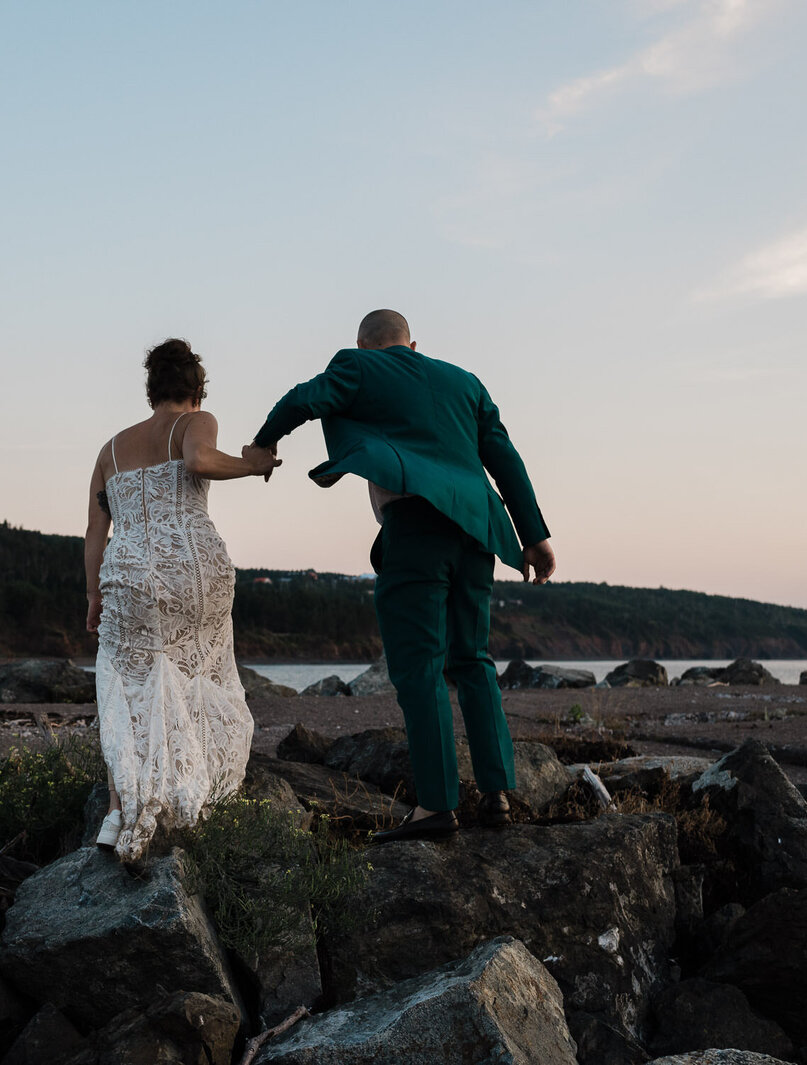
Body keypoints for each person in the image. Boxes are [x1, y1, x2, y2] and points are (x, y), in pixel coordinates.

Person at [251, 310, 555, 843]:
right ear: (413, 343)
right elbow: (504, 455)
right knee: (475, 659)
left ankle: (436, 807)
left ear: (364, 345)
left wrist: (264, 443)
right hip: (477, 531)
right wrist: (534, 534)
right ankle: (497, 792)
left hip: (417, 529)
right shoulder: (465, 382)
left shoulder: (360, 367)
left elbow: (303, 398)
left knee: (420, 668)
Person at [85, 338, 279, 862]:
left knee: (127, 682)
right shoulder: (195, 422)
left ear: (151, 389)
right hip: (192, 570)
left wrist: (92, 594)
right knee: (195, 678)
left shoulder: (112, 448)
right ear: (196, 390)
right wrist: (252, 464)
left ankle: (118, 812)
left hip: (127, 575)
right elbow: (198, 463)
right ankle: (188, 796)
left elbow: (94, 530)